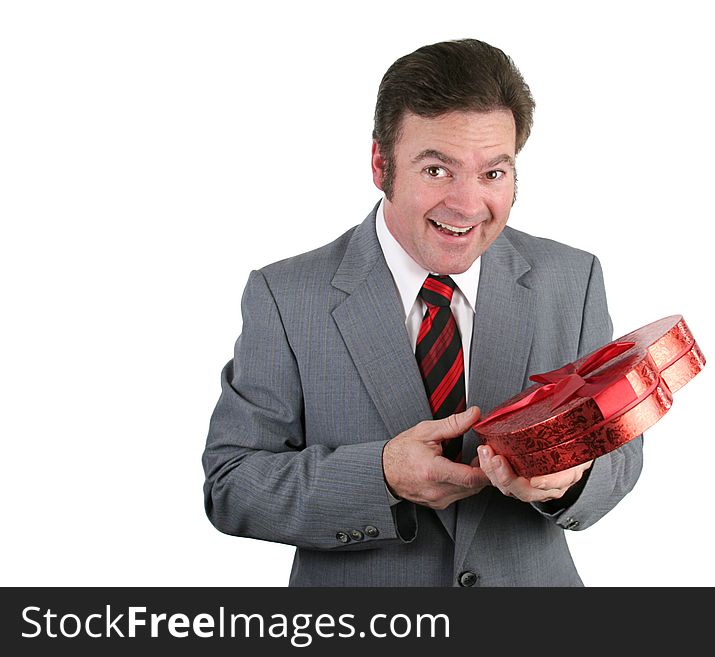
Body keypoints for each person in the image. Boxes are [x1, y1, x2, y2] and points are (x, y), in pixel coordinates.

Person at [202, 38, 643, 586]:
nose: (465, 204)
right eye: (437, 170)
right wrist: (381, 476)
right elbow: (230, 484)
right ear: (380, 163)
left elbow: (620, 456)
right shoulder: (287, 296)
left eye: (493, 174)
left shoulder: (572, 280)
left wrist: (570, 478)